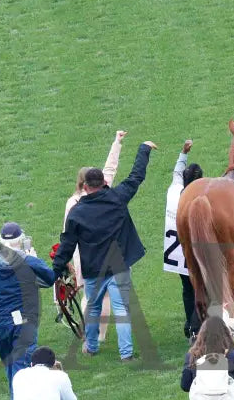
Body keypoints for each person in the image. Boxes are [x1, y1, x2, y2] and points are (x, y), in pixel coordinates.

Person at [51, 140, 157, 361]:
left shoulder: (77, 213)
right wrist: (143, 149)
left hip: (92, 270)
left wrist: (55, 270)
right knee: (121, 310)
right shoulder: (117, 198)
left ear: (85, 186)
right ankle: (126, 354)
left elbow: (67, 245)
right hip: (118, 266)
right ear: (104, 183)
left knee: (93, 309)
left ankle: (91, 347)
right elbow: (136, 177)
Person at [62, 130, 127, 342]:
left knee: (89, 295)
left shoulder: (73, 203)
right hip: (109, 250)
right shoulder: (104, 192)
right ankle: (100, 334)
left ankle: (90, 334)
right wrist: (117, 142)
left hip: (84, 254)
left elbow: (67, 234)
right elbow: (110, 168)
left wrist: (65, 262)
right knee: (107, 295)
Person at [0, 222, 56, 400]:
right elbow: (50, 278)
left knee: (10, 366)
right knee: (21, 371)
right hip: (22, 322)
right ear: (20, 240)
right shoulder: (27, 260)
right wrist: (34, 257)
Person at [162, 139, 203, 341]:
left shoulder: (173, 191)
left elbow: (177, 173)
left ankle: (190, 324)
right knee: (201, 289)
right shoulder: (199, 200)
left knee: (187, 289)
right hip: (193, 253)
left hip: (176, 253)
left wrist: (183, 153)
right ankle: (197, 327)